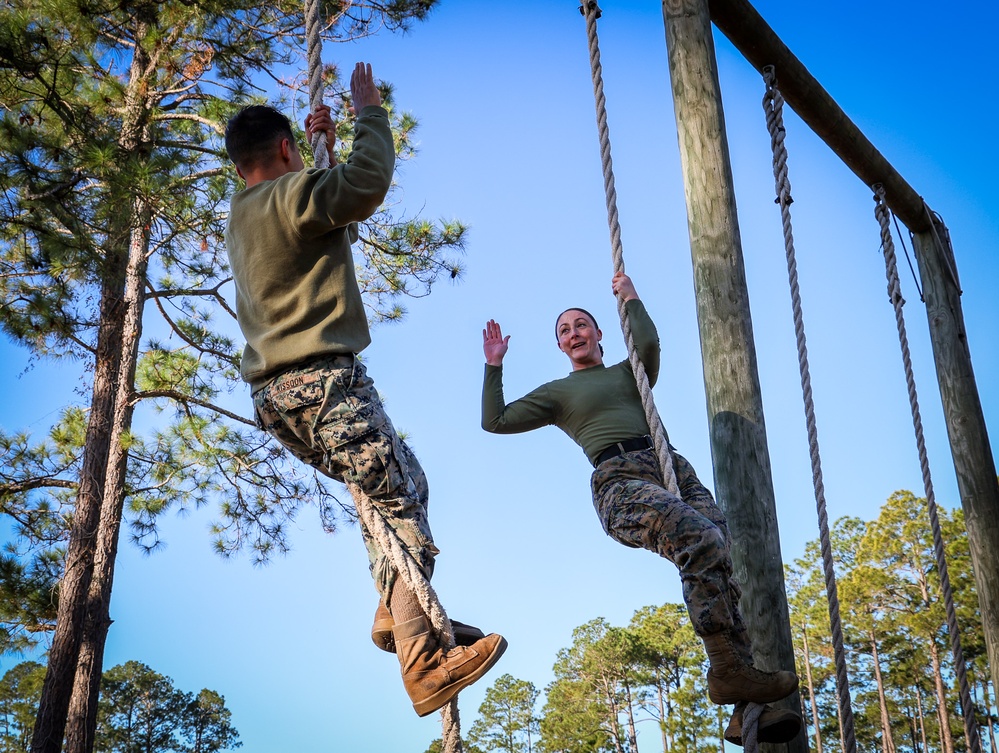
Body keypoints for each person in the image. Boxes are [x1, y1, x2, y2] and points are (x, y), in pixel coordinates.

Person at [223, 61, 505, 718]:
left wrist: (315, 157)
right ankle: (423, 664)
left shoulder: (245, 213)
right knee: (400, 499)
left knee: (393, 485)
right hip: (323, 382)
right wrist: (368, 112)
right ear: (285, 150)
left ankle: (392, 607)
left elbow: (336, 227)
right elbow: (367, 184)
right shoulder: (293, 197)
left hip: (279, 401)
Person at [481, 271, 801, 745]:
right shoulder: (558, 393)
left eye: (581, 325)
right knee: (701, 539)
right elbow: (496, 420)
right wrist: (494, 366)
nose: (574, 333)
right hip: (619, 480)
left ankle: (743, 703)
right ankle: (727, 669)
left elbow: (649, 345)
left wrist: (630, 299)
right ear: (561, 347)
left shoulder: (629, 372)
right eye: (565, 331)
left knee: (721, 558)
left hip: (671, 466)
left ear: (599, 334)